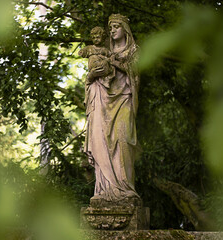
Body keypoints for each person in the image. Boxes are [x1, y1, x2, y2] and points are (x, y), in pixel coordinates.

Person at [83, 14, 140, 203]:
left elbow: (135, 75)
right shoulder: (103, 52)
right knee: (103, 144)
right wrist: (91, 76)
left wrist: (115, 63)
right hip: (103, 102)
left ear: (125, 28)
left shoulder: (132, 51)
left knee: (122, 140)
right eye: (111, 27)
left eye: (116, 26)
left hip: (123, 100)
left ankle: (125, 189)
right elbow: (91, 80)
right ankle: (105, 191)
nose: (113, 30)